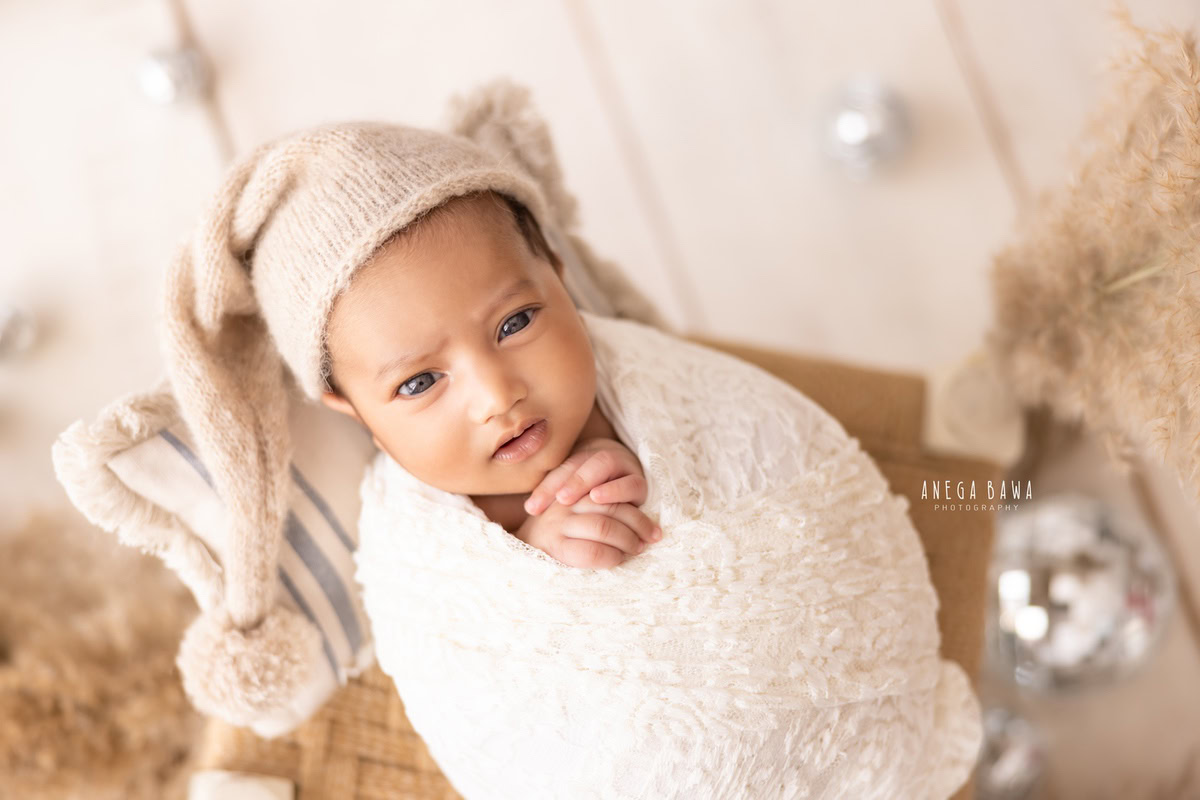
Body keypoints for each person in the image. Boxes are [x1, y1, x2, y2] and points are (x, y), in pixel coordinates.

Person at [318, 189, 663, 570]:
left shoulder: (638, 382)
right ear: (358, 414)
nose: (496, 398)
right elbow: (455, 617)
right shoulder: (421, 535)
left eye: (515, 323)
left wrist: (653, 476)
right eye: (420, 383)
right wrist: (533, 550)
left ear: (561, 283)